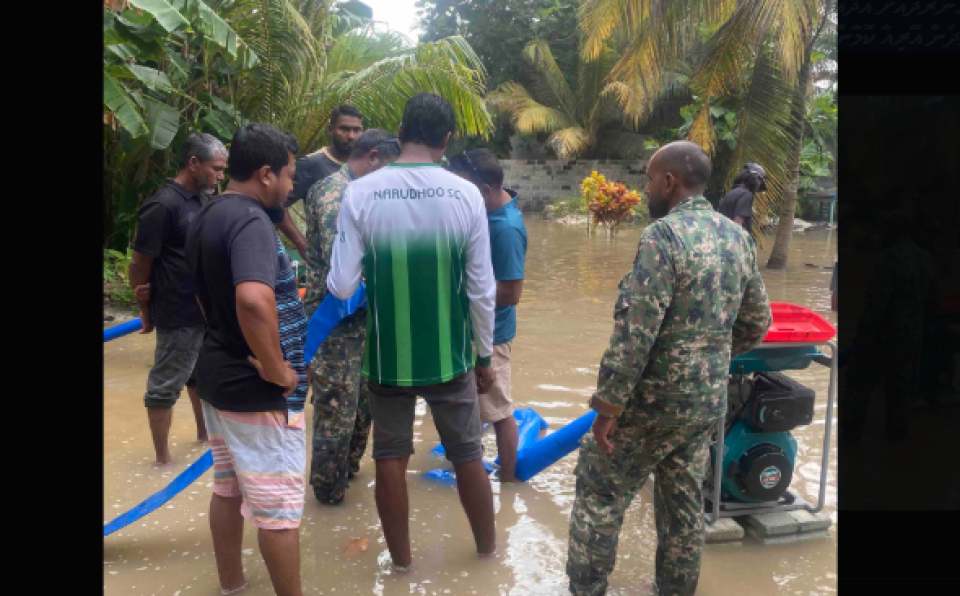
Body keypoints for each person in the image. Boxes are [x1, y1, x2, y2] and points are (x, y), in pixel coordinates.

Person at [566, 141, 772, 596]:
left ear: (669, 181)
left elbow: (634, 333)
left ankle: (586, 589)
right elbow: (758, 321)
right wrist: (708, 358)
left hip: (652, 403)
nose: (645, 188)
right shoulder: (737, 238)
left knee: (600, 490)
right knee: (682, 506)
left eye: (648, 178)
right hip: (704, 404)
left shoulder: (664, 237)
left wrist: (608, 407)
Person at [327, 93, 498, 571]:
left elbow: (341, 285)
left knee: (390, 456)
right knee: (467, 455)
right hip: (450, 357)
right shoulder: (465, 194)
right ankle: (488, 554)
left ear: (400, 130)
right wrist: (483, 357)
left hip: (387, 357)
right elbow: (482, 289)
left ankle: (401, 566)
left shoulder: (360, 192)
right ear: (446, 139)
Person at [186, 123, 308, 596]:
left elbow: (201, 296)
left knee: (228, 486)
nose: (291, 186)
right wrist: (278, 370)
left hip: (217, 375)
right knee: (278, 511)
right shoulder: (253, 221)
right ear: (264, 174)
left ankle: (231, 585)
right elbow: (254, 302)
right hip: (256, 390)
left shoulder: (208, 214)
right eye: (288, 176)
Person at [303, 129, 402, 504]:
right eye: (389, 169)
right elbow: (343, 271)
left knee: (363, 405)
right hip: (336, 324)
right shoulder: (335, 195)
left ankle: (347, 473)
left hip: (364, 321)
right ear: (373, 157)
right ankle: (328, 497)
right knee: (336, 410)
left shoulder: (364, 192)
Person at [128, 132, 227, 467]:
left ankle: (203, 439)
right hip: (177, 311)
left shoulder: (204, 200)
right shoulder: (163, 205)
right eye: (216, 168)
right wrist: (146, 310)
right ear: (193, 163)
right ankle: (162, 460)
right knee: (165, 385)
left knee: (201, 379)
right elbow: (140, 265)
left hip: (205, 312)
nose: (220, 176)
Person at [447, 148, 528, 482]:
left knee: (498, 411)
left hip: (491, 335)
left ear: (482, 190)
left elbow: (511, 292)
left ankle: (507, 479)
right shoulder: (485, 215)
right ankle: (471, 467)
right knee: (474, 408)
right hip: (473, 330)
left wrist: (458, 291)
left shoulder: (505, 229)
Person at [841, 210, 940, 442]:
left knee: (857, 386)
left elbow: (877, 304)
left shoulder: (890, 259)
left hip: (882, 339)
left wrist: (863, 340)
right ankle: (896, 438)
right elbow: (935, 300)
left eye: (885, 228)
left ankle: (851, 438)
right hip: (911, 339)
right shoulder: (926, 259)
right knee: (899, 389)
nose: (881, 233)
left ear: (894, 230)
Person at [275, 105, 364, 257]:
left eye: (357, 130)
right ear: (330, 129)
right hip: (323, 266)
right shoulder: (310, 164)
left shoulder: (365, 165)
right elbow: (277, 205)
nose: (351, 136)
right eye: (345, 129)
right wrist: (301, 243)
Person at [717, 169, 760, 236]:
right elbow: (737, 224)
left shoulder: (732, 192)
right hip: (733, 239)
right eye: (758, 180)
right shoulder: (746, 194)